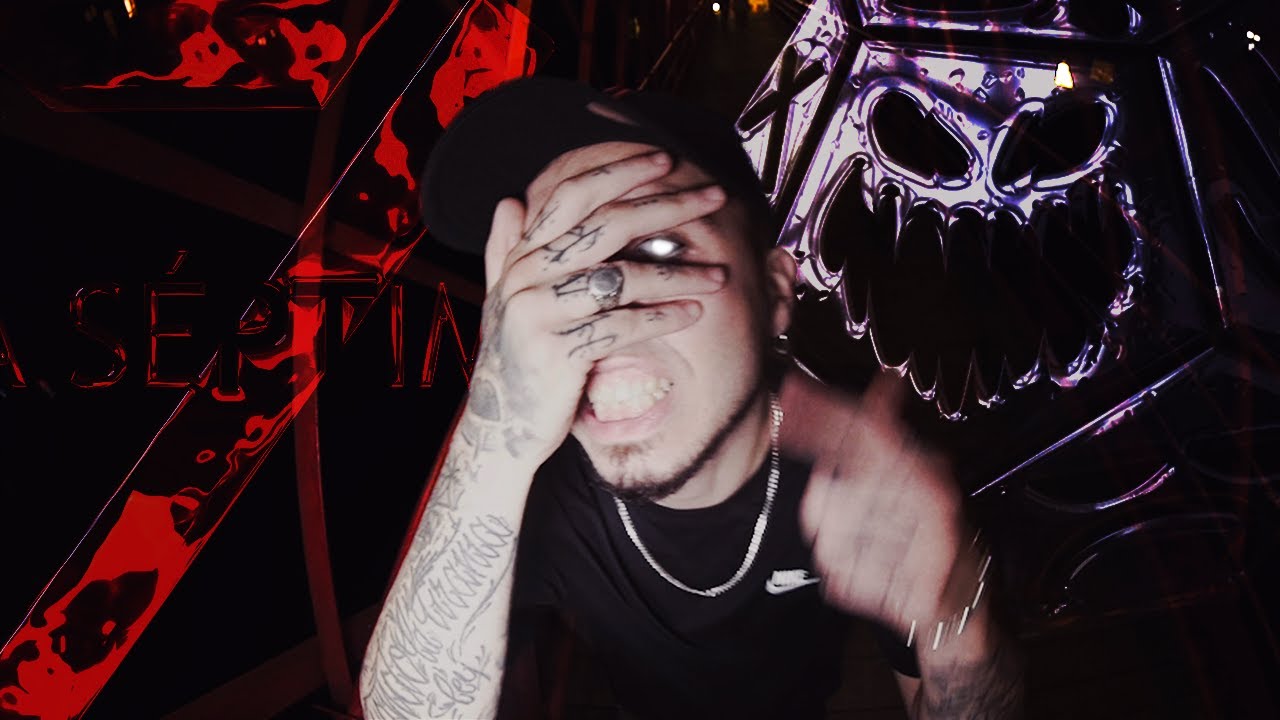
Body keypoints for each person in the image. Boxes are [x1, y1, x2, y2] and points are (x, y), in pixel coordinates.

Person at [359, 76, 1024, 720]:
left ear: (775, 292)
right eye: (550, 270)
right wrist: (493, 438)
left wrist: (955, 619)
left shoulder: (862, 456)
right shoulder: (531, 483)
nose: (600, 315)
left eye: (660, 248)